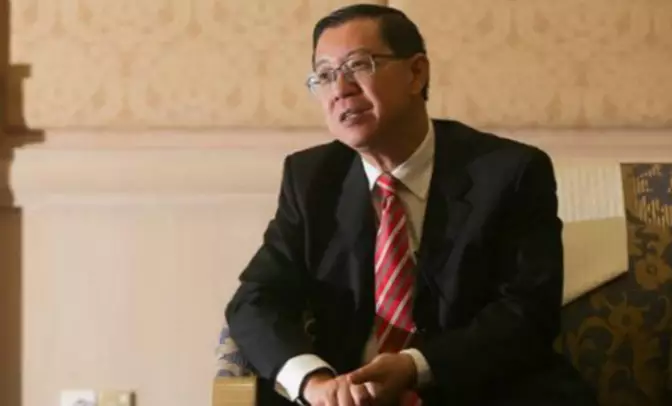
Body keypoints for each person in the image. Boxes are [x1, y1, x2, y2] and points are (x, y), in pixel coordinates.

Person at [225, 4, 598, 406]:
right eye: (325, 75)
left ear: (416, 73)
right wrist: (314, 383)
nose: (341, 89)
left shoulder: (510, 172)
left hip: (479, 391)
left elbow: (527, 312)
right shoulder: (311, 178)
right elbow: (255, 301)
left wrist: (413, 367)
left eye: (358, 65)